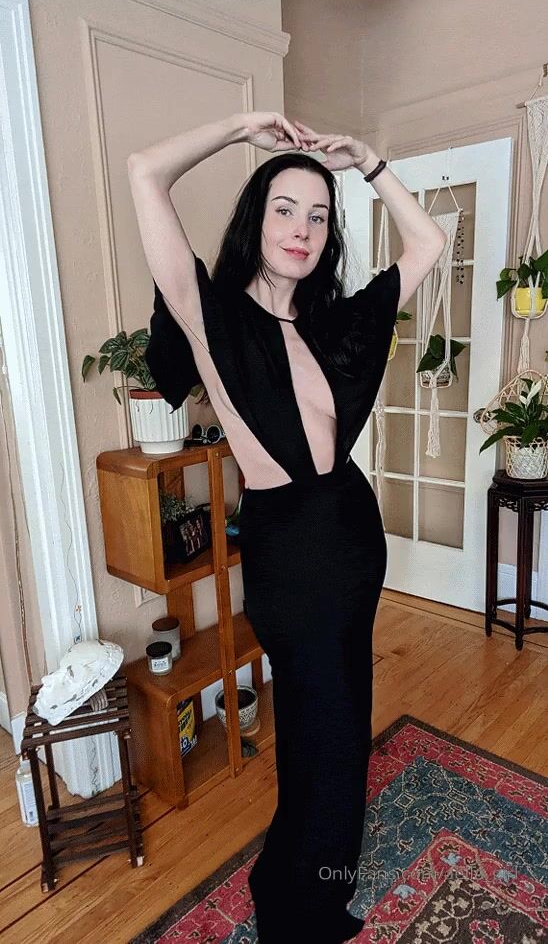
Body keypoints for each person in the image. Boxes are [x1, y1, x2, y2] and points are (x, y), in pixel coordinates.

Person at [128, 112, 446, 944]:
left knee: (339, 733)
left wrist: (370, 162)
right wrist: (241, 128)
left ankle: (307, 890)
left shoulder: (335, 323)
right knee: (322, 737)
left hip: (351, 536)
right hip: (291, 556)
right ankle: (298, 907)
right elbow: (144, 170)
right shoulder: (208, 311)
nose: (301, 229)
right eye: (284, 209)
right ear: (256, 218)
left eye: (318, 216)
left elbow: (427, 244)